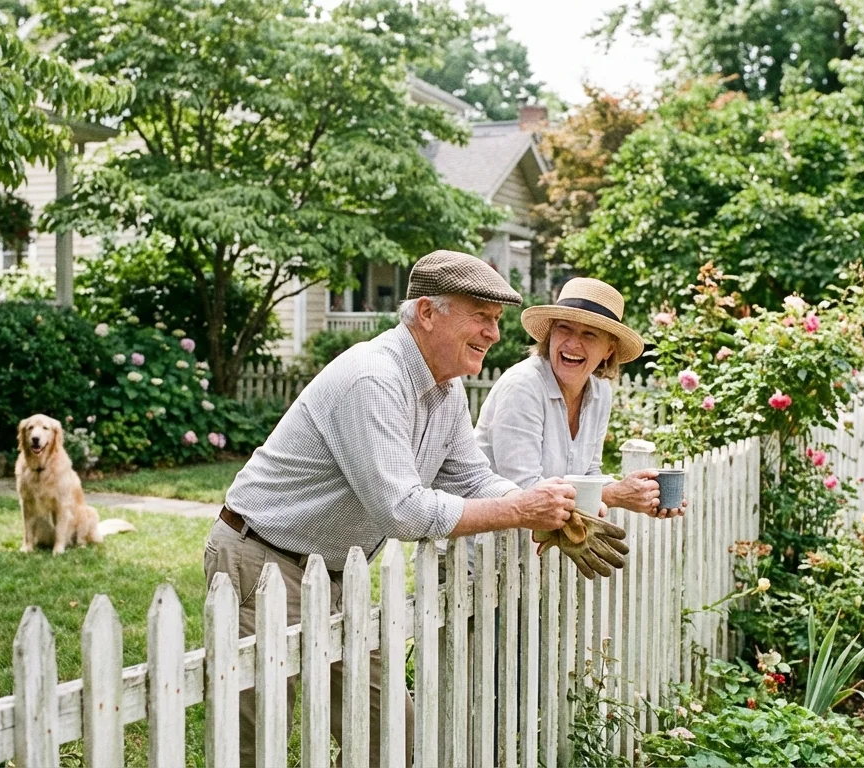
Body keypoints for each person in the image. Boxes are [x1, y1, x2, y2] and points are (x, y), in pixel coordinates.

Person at [207, 250, 627, 767]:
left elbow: (471, 478)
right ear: (428, 313)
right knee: (257, 743)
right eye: (481, 317)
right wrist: (521, 510)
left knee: (394, 735)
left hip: (341, 574)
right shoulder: (374, 378)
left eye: (496, 320)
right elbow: (402, 512)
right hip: (262, 558)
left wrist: (546, 510)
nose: (494, 334)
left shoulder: (445, 389)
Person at [475, 277, 685, 567]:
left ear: (609, 350)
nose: (573, 344)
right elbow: (526, 493)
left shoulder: (599, 392)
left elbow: (589, 472)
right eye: (565, 328)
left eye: (590, 335)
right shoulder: (523, 386)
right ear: (550, 333)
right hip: (482, 560)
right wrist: (615, 494)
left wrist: (646, 494)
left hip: (535, 561)